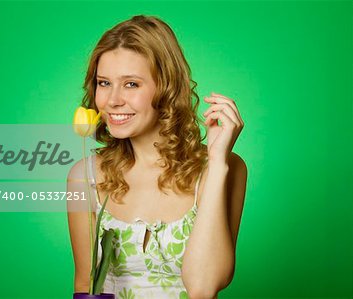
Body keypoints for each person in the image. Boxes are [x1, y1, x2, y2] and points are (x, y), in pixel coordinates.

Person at [67, 14, 247, 299]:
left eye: (131, 84)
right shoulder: (85, 177)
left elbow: (203, 287)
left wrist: (217, 163)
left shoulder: (225, 168)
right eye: (104, 83)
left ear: (167, 87)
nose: (112, 100)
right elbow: (84, 286)